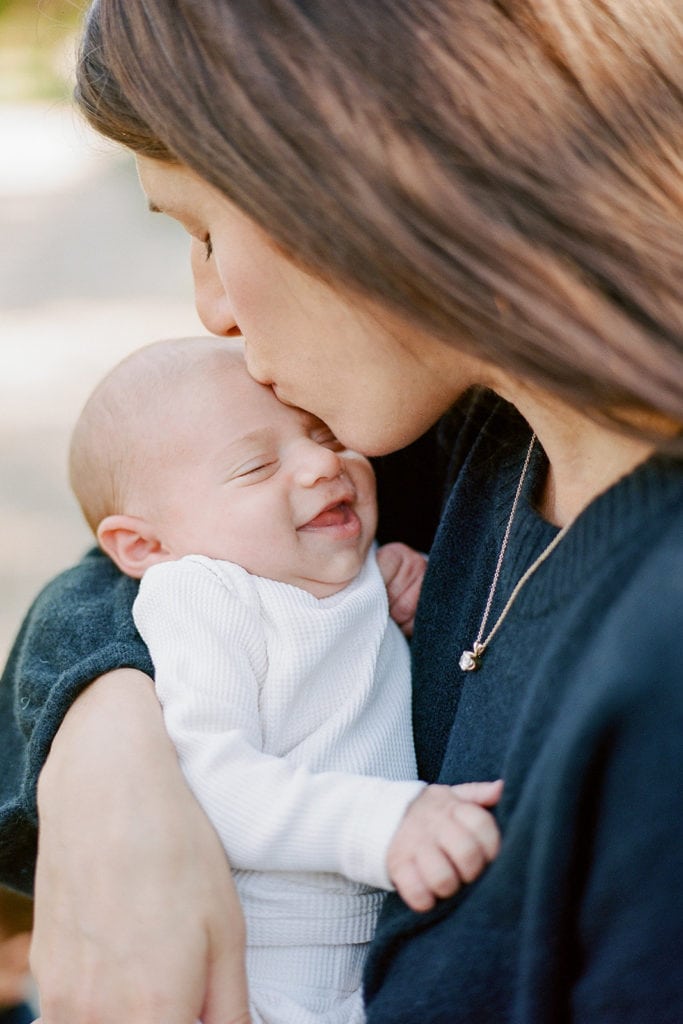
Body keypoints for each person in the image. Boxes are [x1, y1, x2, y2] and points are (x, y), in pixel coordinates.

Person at [0, 1, 682, 1022]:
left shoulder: (653, 667)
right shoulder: (462, 437)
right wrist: (113, 764)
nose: (212, 312)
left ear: (354, 171)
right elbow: (139, 551)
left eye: (205, 231)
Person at [66, 334, 501, 1023]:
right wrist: (383, 823)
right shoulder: (203, 595)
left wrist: (399, 590)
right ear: (146, 546)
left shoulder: (347, 571)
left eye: (322, 434)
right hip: (256, 972)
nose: (320, 466)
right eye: (255, 466)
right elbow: (216, 784)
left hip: (367, 967)